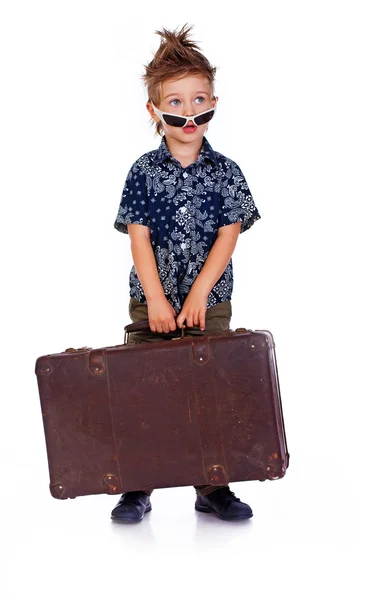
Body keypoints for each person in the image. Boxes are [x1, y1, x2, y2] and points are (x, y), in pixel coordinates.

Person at [112, 24, 261, 523]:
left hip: (208, 302)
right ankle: (137, 486)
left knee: (208, 395)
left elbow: (229, 233)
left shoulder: (227, 171)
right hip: (151, 301)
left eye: (199, 98)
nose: (189, 110)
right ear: (154, 111)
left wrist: (199, 293)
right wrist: (156, 299)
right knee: (146, 393)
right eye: (175, 100)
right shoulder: (142, 172)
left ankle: (212, 487)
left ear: (214, 100)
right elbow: (138, 238)